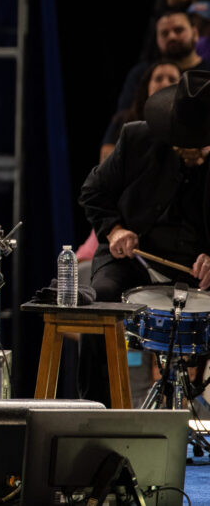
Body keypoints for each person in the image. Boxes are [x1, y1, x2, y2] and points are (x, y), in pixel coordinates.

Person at [79, 70, 210, 403]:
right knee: (101, 300)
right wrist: (115, 229)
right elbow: (93, 192)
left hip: (196, 271)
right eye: (188, 144)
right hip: (133, 260)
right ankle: (98, 409)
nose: (196, 153)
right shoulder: (137, 139)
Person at [114, 9, 208, 113]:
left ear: (195, 33)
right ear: (157, 40)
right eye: (164, 33)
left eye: (178, 30)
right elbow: (123, 117)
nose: (172, 37)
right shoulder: (141, 73)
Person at [99, 60, 181, 162]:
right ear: (147, 86)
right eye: (158, 79)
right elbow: (106, 165)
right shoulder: (123, 120)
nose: (164, 83)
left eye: (172, 79)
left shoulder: (190, 124)